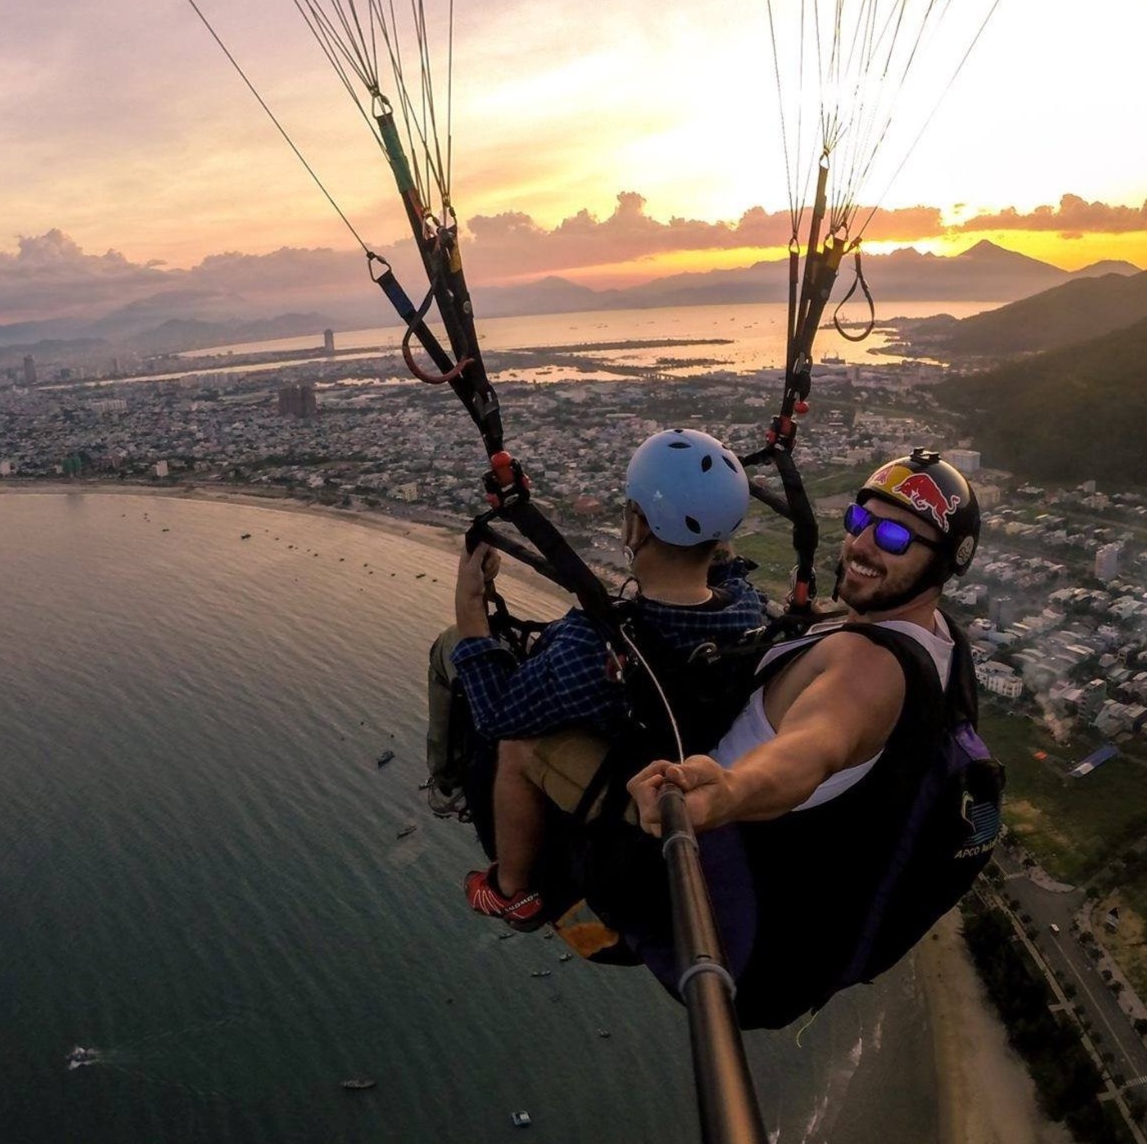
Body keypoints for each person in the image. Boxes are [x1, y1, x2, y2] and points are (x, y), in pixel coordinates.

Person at [621, 448, 989, 1025]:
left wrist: (728, 792)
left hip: (716, 902)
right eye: (859, 520)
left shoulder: (868, 669)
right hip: (788, 947)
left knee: (533, 742)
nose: (862, 544)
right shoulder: (939, 641)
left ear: (943, 566)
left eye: (895, 538)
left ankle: (518, 888)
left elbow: (813, 748)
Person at [423, 428, 767, 929]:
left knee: (499, 719)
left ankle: (511, 889)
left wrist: (470, 602)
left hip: (638, 785)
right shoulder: (746, 607)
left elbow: (495, 713)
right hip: (686, 750)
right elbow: (725, 571)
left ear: (636, 526)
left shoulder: (597, 648)